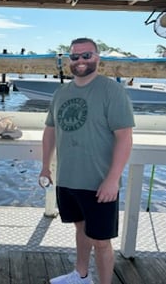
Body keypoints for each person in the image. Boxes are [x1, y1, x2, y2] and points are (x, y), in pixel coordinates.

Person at [40, 37, 134, 284]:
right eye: (75, 56)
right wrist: (45, 167)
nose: (80, 61)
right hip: (68, 178)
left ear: (97, 58)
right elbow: (50, 131)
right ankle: (80, 275)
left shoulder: (111, 91)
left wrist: (113, 179)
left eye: (86, 55)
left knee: (101, 241)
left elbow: (124, 137)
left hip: (99, 182)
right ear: (68, 60)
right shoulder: (62, 92)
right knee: (80, 230)